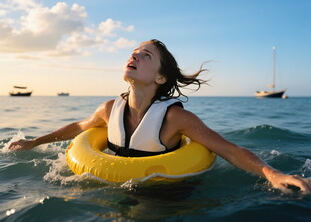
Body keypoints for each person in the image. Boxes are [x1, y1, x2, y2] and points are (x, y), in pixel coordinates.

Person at [9, 39, 311, 193]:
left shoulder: (175, 119)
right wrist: (34, 142)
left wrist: (274, 174)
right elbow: (78, 127)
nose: (135, 56)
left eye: (146, 56)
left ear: (161, 78)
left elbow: (229, 150)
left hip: (166, 193)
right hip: (105, 187)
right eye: (135, 52)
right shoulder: (108, 109)